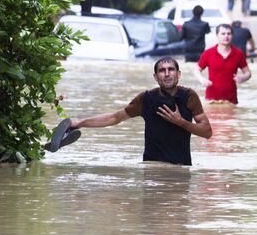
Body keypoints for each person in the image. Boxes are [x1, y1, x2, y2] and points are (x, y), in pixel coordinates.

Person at [69, 58, 212, 166]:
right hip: (152, 167)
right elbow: (114, 118)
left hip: (181, 168)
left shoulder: (189, 96)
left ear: (179, 74)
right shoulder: (146, 98)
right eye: (162, 70)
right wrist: (79, 123)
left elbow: (207, 132)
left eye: (171, 69)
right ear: (156, 77)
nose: (167, 74)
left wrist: (180, 122)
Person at [196, 23, 252, 104]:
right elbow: (197, 70)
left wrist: (243, 78)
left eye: (229, 34)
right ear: (217, 35)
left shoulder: (238, 54)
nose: (226, 36)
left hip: (231, 100)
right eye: (223, 34)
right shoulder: (208, 53)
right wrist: (202, 80)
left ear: (232, 36)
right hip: (212, 100)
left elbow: (248, 73)